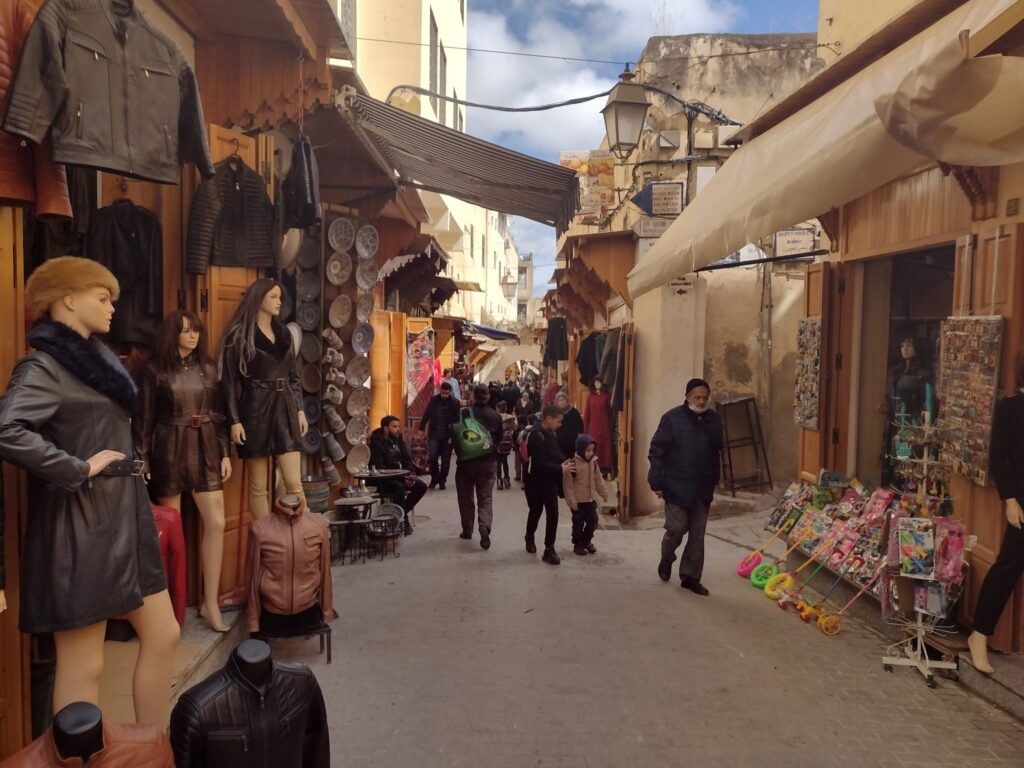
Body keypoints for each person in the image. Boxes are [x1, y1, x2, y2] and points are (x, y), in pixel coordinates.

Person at [0, 257, 179, 726]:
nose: (113, 309)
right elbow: (8, 430)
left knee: (163, 633)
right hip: (81, 526)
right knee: (85, 664)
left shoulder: (95, 365)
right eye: (103, 298)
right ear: (67, 300)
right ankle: (78, 758)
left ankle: (152, 748)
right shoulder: (44, 366)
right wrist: (77, 468)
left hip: (127, 517)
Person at [135, 310, 232, 632]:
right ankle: (170, 611)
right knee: (171, 532)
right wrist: (143, 458)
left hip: (206, 446)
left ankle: (210, 602)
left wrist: (225, 453)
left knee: (216, 522)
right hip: (169, 448)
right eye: (185, 330)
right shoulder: (154, 370)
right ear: (172, 333)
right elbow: (143, 419)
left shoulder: (210, 368)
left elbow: (220, 415)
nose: (193, 335)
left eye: (196, 330)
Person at [220, 278, 308, 521]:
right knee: (258, 486)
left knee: (294, 482)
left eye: (280, 297)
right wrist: (234, 421)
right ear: (258, 299)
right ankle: (264, 537)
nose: (279, 302)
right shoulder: (239, 336)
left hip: (285, 408)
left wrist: (300, 410)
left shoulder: (284, 334)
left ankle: (301, 536)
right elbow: (228, 383)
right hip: (255, 409)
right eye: (273, 297)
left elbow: (294, 376)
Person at [968, 354, 1024, 675]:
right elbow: (999, 457)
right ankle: (979, 634)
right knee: (1008, 566)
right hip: (1021, 500)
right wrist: (1010, 499)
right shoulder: (1012, 407)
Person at [649, 378, 723, 596]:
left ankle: (690, 577)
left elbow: (717, 452)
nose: (701, 402)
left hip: (702, 487)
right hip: (676, 485)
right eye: (697, 397)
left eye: (705, 398)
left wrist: (715, 479)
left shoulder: (714, 420)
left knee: (697, 535)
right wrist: (656, 481)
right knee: (676, 528)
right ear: (688, 397)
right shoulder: (672, 419)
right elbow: (657, 452)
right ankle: (667, 557)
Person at [524, 405, 574, 565]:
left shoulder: (552, 433)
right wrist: (560, 469)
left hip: (550, 481)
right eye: (558, 421)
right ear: (548, 419)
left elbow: (555, 452)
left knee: (553, 514)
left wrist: (565, 461)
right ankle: (529, 536)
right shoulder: (536, 436)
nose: (560, 424)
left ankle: (549, 548)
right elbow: (538, 464)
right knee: (536, 511)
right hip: (535, 482)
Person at [455, 385, 502, 549]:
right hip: (487, 463)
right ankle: (484, 526)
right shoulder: (496, 416)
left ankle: (467, 530)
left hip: (466, 462)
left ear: (473, 396)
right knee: (485, 498)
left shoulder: (464, 413)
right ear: (488, 397)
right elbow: (499, 439)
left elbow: (455, 434)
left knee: (465, 498)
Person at [369, 416, 426, 535]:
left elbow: (407, 460)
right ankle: (403, 520)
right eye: (394, 427)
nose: (398, 429)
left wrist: (410, 475)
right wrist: (402, 478)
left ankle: (397, 514)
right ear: (386, 429)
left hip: (401, 477)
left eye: (398, 426)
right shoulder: (376, 443)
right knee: (399, 488)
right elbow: (380, 467)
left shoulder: (399, 440)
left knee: (421, 486)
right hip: (383, 480)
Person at [564, 434, 609, 556]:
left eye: (592, 450)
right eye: (587, 450)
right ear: (580, 449)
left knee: (593, 521)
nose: (590, 453)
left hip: (590, 500)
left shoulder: (593, 464)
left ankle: (587, 540)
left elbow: (599, 480)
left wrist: (604, 493)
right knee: (578, 524)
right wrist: (572, 502)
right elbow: (568, 486)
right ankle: (577, 544)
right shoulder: (573, 464)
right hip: (578, 502)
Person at [419, 381, 460, 490]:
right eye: (442, 393)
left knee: (446, 460)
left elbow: (457, 421)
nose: (444, 395)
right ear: (440, 391)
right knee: (432, 457)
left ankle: (442, 481)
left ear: (450, 392)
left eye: (446, 393)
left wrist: (453, 436)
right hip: (434, 434)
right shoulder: (433, 400)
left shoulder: (455, 403)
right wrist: (421, 428)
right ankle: (434, 479)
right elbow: (427, 414)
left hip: (448, 436)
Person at [584, 376, 614, 475]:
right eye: (596, 383)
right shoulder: (590, 396)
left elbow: (610, 412)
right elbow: (587, 413)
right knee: (595, 446)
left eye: (599, 382)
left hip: (605, 425)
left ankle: (606, 469)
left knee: (605, 446)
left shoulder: (606, 396)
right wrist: (585, 429)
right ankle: (595, 468)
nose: (598, 384)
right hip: (594, 426)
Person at [555, 391, 584, 461]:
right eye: (559, 400)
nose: (562, 402)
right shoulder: (555, 413)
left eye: (563, 399)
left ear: (567, 400)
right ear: (557, 402)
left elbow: (580, 426)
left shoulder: (574, 412)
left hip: (572, 441)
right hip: (559, 442)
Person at [496, 402, 516, 490]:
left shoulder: (496, 417)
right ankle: (507, 479)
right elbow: (514, 427)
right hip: (507, 442)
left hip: (498, 441)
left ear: (498, 408)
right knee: (505, 461)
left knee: (498, 462)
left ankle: (499, 481)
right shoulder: (509, 417)